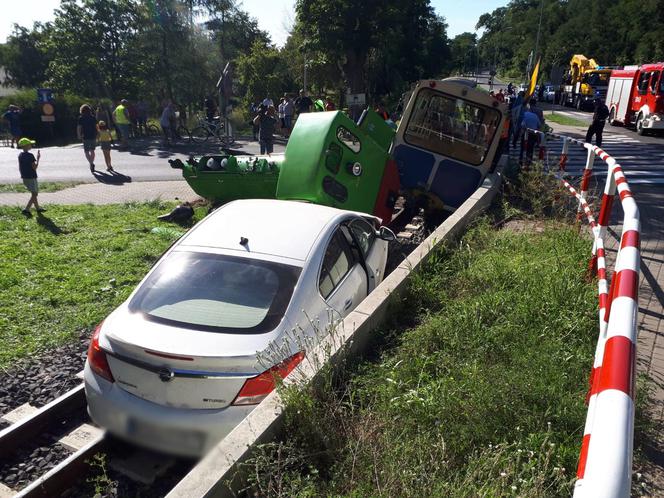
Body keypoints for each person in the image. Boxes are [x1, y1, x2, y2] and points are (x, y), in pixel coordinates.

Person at [17, 137, 44, 215]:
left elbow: (21, 166)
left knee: (33, 193)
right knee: (35, 193)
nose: (31, 145)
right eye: (29, 144)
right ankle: (26, 209)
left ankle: (38, 208)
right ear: (25, 146)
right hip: (31, 177)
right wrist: (38, 158)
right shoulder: (30, 155)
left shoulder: (20, 155)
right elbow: (34, 167)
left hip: (25, 177)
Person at [77, 104, 98, 172]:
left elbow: (79, 128)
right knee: (92, 150)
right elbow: (96, 126)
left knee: (86, 151)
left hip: (85, 136)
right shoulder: (93, 117)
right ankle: (91, 163)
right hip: (93, 135)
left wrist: (79, 135)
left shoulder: (81, 118)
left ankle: (91, 163)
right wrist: (98, 134)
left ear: (81, 110)